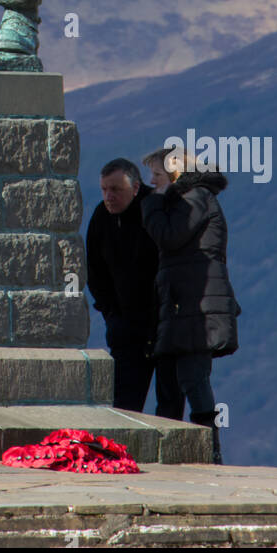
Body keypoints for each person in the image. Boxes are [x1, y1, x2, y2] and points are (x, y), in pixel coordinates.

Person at [141, 145, 241, 464]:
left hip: (197, 304)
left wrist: (153, 204)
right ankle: (182, 450)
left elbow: (170, 236)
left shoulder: (195, 198)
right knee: (175, 377)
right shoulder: (191, 199)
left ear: (174, 175)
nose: (152, 183)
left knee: (193, 376)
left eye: (157, 175)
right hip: (186, 302)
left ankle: (208, 449)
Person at [86, 159, 184, 418]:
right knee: (123, 408)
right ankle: (119, 457)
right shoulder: (101, 218)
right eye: (104, 189)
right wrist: (111, 315)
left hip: (166, 325)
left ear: (136, 187)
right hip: (126, 330)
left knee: (170, 406)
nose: (109, 196)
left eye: (116, 189)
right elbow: (94, 273)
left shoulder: (157, 210)